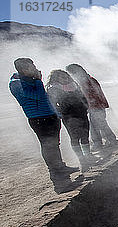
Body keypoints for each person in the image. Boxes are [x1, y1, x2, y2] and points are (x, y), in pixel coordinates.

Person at [8, 58, 78, 186]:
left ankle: (60, 167)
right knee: (48, 146)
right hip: (39, 119)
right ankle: (57, 176)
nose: (34, 69)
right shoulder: (16, 83)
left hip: (50, 117)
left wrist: (56, 114)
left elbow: (46, 99)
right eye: (31, 67)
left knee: (55, 144)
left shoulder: (30, 81)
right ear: (23, 69)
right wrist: (38, 80)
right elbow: (38, 95)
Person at [47, 70, 96, 171]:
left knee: (85, 135)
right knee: (75, 137)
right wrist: (59, 113)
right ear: (55, 78)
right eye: (61, 77)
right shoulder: (54, 88)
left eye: (65, 76)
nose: (64, 79)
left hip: (81, 112)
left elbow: (82, 96)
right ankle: (81, 159)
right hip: (69, 115)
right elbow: (53, 103)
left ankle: (88, 155)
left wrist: (86, 106)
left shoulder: (74, 85)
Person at [66, 64, 118, 152]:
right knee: (95, 126)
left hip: (95, 106)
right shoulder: (87, 79)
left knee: (101, 125)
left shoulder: (86, 81)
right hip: (95, 106)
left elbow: (90, 94)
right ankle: (101, 143)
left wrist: (88, 105)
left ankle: (111, 141)